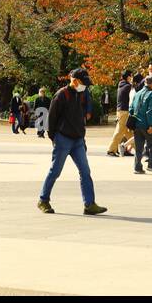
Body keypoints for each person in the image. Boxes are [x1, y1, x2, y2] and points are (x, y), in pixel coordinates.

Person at [38, 68, 106, 215]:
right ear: (74, 81)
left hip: (78, 140)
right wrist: (54, 138)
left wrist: (82, 137)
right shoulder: (62, 95)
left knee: (85, 171)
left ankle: (89, 204)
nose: (85, 86)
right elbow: (52, 119)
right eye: (83, 83)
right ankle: (43, 200)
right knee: (55, 171)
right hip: (63, 139)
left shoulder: (81, 94)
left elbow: (81, 116)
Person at [130, 73, 152, 175]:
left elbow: (131, 109)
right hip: (146, 124)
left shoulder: (137, 94)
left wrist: (132, 123)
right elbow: (151, 111)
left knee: (139, 147)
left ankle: (137, 167)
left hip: (136, 124)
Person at [106, 69, 135, 157]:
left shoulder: (121, 84)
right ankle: (111, 150)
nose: (132, 78)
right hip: (124, 111)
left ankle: (140, 149)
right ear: (128, 77)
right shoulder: (128, 86)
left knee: (129, 133)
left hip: (121, 111)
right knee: (119, 131)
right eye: (131, 76)